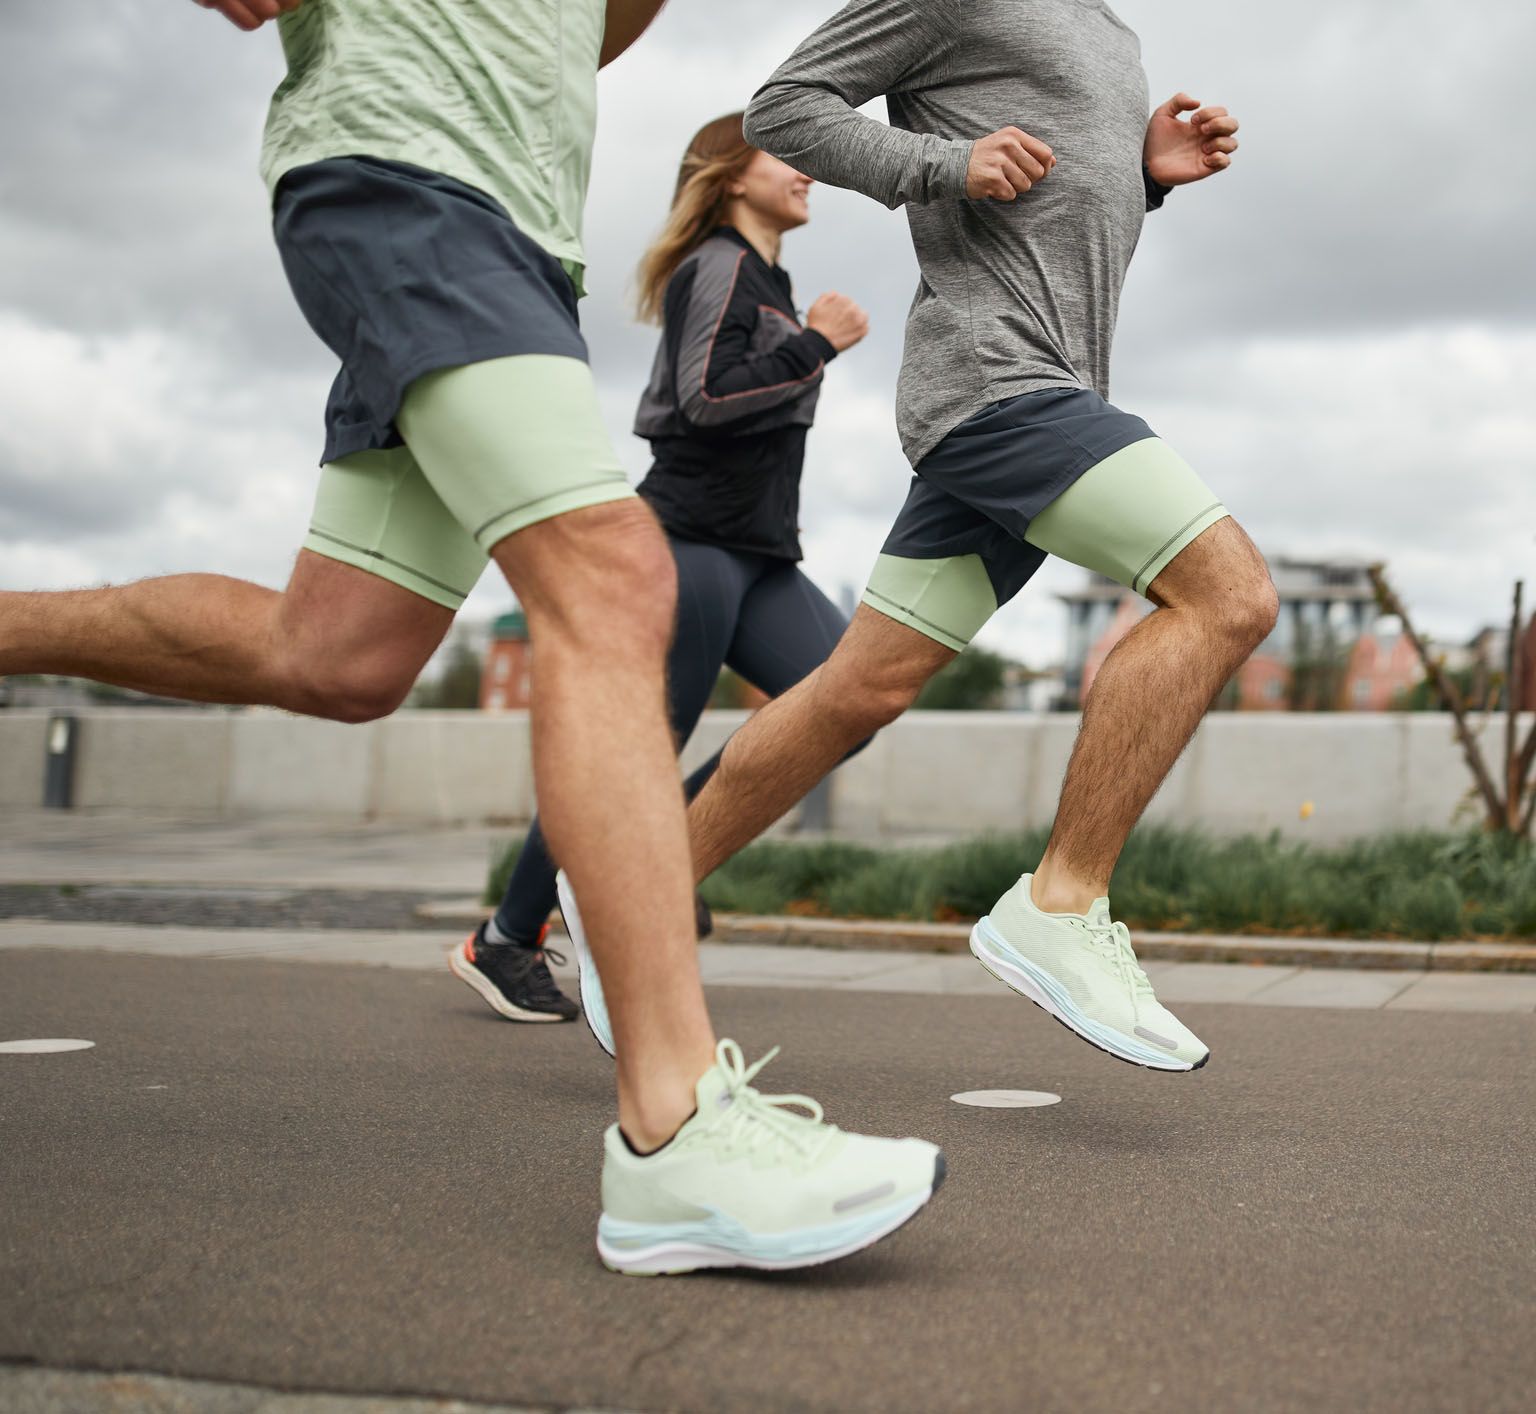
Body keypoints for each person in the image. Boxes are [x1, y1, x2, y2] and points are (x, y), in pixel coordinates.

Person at [0, 0, 944, 1275]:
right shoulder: (726, 269)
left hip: (513, 236)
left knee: (335, 655)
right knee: (614, 580)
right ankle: (673, 1135)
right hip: (404, 172)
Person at [574, 0, 1277, 1073]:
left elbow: (1054, 211)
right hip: (1000, 388)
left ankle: (639, 888)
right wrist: (946, 163)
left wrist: (1144, 178)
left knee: (858, 689)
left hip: (1034, 391)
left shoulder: (1112, 35)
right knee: (1229, 597)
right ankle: (1061, 902)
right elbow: (784, 108)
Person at [451, 113, 872, 1042]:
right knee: (636, 750)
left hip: (761, 552)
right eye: (784, 157)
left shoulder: (765, 275)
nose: (806, 172)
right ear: (731, 176)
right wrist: (815, 345)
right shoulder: (716, 263)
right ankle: (506, 937)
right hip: (688, 541)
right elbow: (705, 400)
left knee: (846, 701)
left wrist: (801, 336)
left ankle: (663, 856)